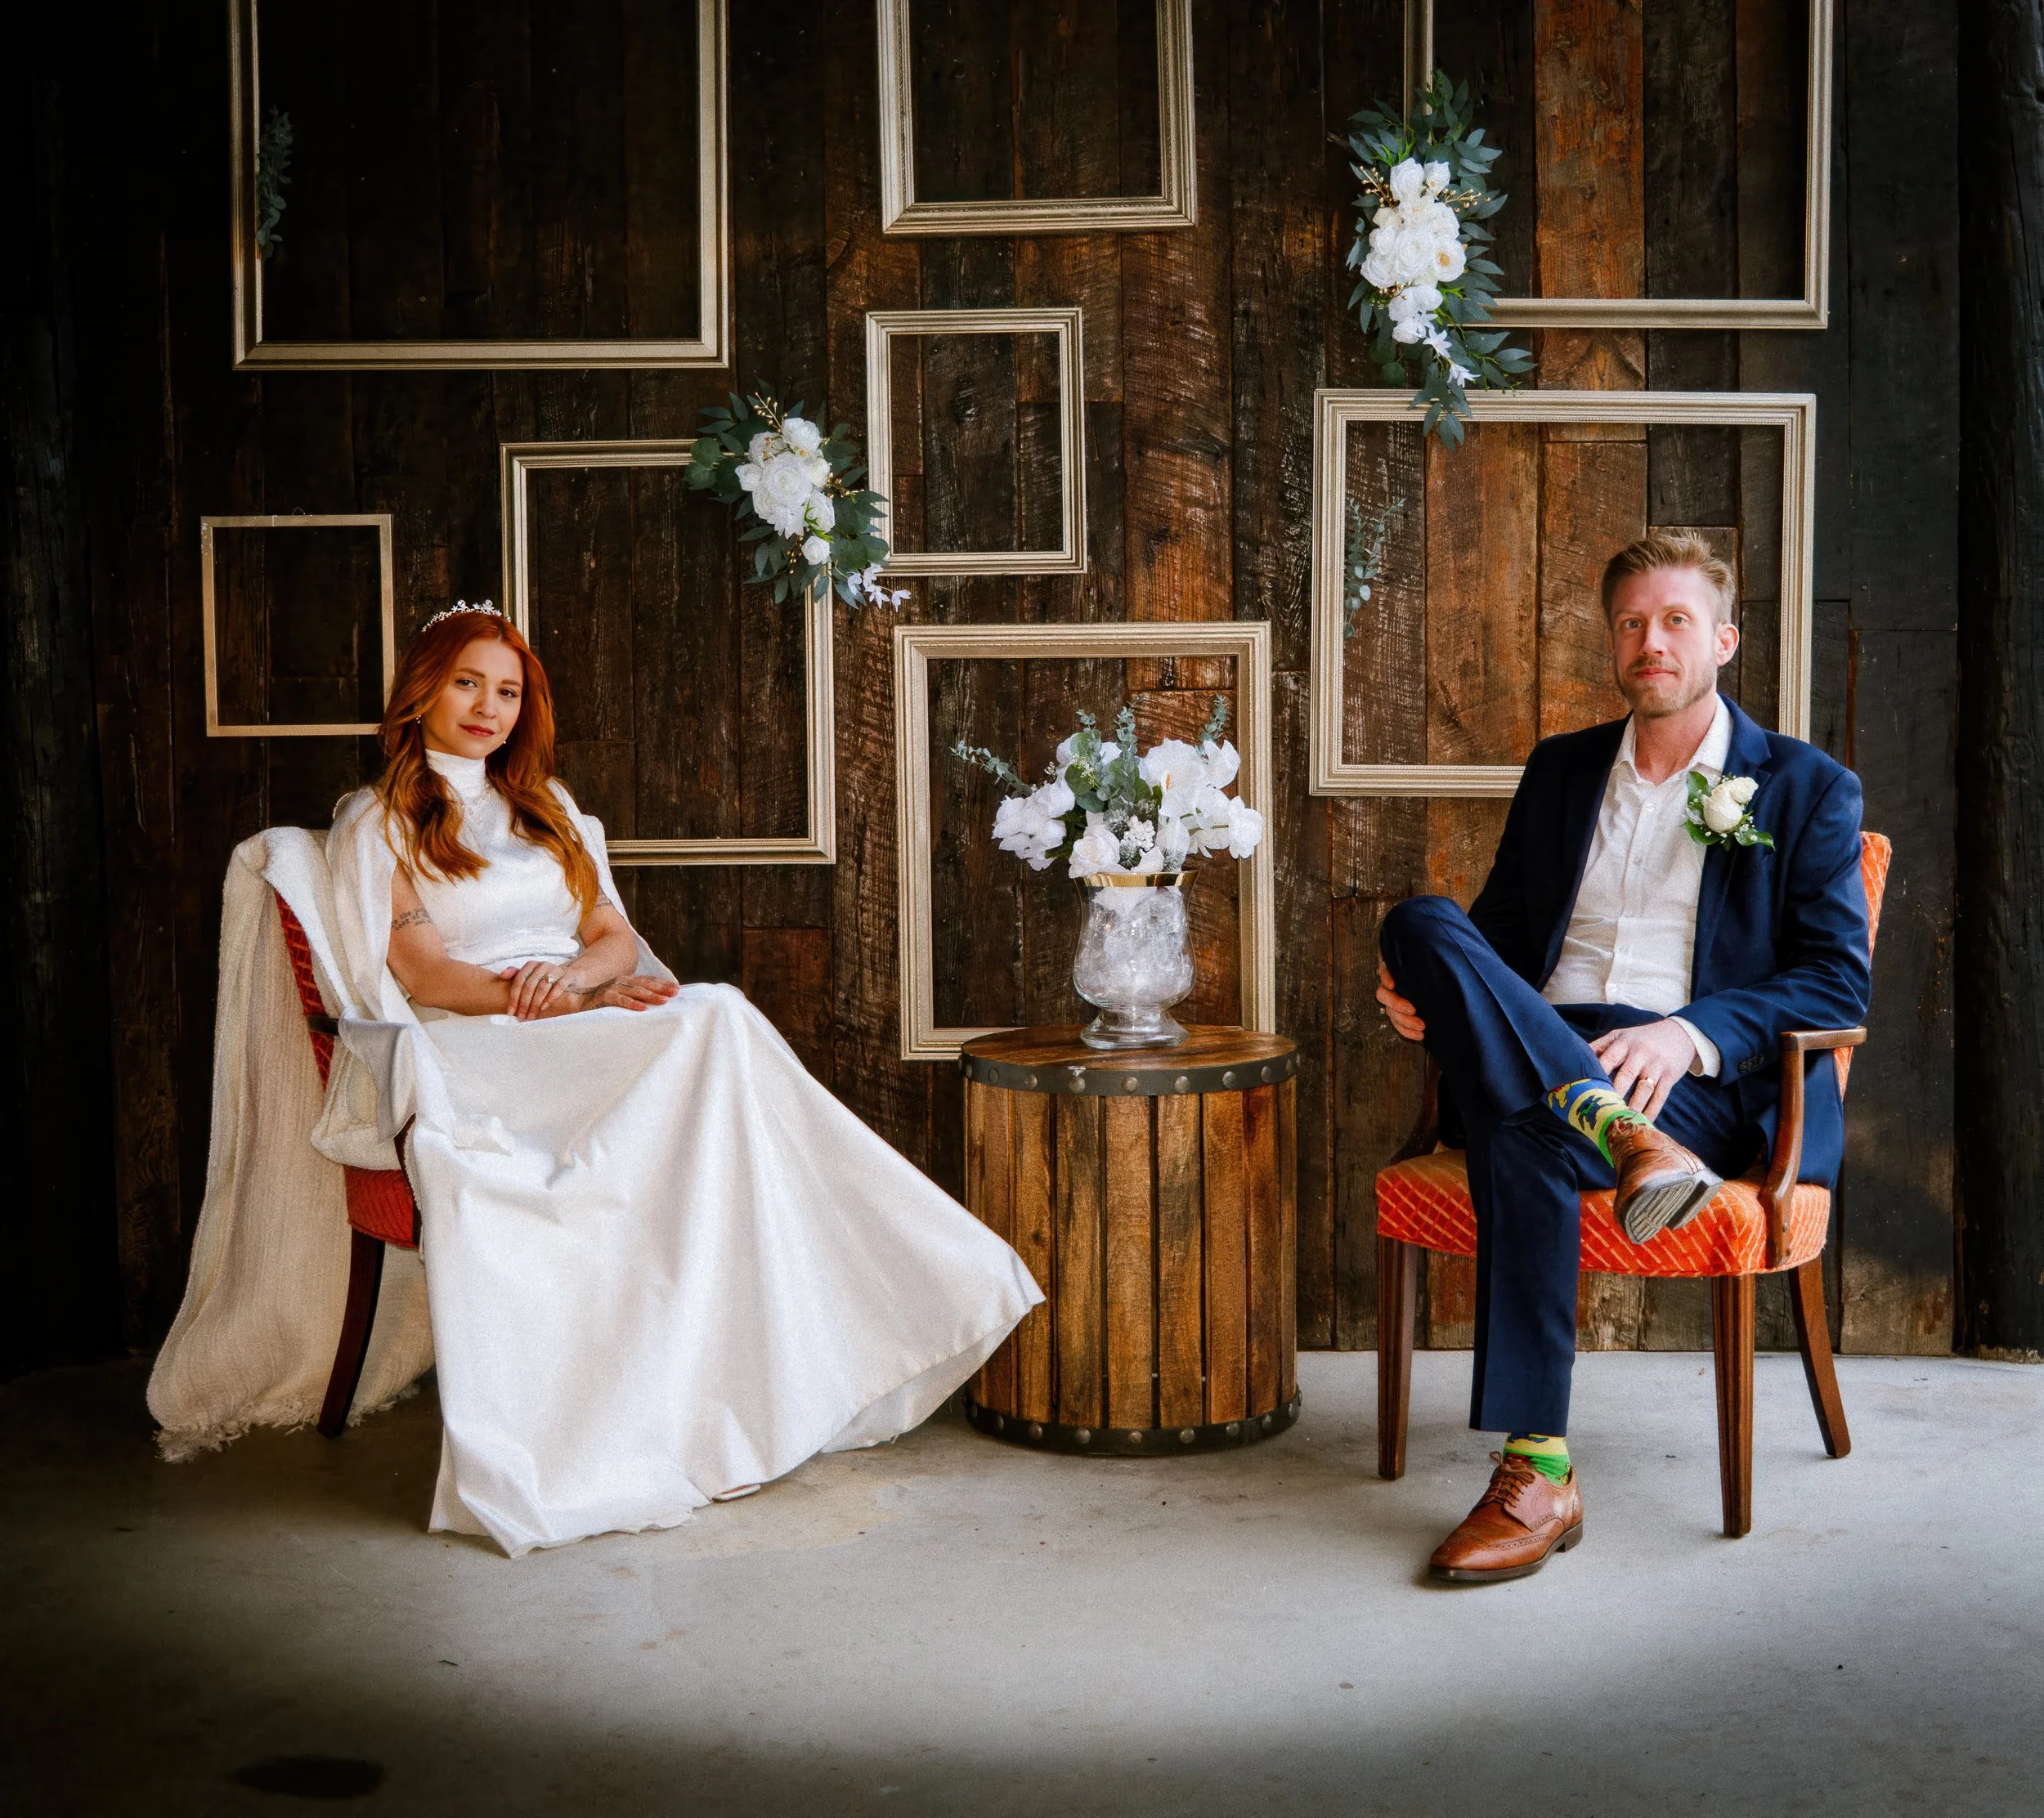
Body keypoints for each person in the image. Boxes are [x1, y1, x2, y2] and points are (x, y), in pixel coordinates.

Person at [316, 603, 1042, 1555]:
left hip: (575, 1013)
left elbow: (611, 937)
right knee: (717, 1017)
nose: (489, 708)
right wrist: (554, 1000)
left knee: (715, 1020)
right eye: (467, 683)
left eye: (507, 690)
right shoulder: (378, 821)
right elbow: (426, 977)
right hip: (481, 1045)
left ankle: (752, 1376)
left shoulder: (550, 807)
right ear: (423, 687)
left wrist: (579, 979)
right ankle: (906, 1279)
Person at [1373, 534, 1871, 1583]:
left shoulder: (1804, 787)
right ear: (1613, 643)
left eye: (1676, 620)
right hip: (1554, 1050)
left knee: (1528, 1125)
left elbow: (1836, 982)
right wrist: (1432, 991)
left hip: (1689, 1084)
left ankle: (1537, 1466)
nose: (1652, 642)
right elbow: (1497, 936)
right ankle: (1608, 1127)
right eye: (1632, 623)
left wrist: (1685, 1032)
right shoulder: (1560, 769)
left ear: (1723, 640)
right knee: (1418, 923)